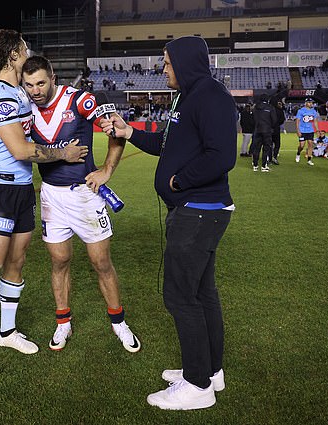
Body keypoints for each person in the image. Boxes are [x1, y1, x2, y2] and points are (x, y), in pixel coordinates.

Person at [0, 29, 88, 378]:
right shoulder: (0, 95)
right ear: (12, 55)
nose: (28, 53)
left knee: (16, 263)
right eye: (24, 49)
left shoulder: (22, 93)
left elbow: (21, 127)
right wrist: (63, 154)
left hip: (23, 190)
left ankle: (6, 332)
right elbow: (22, 149)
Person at [100, 36, 236, 410]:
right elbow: (168, 144)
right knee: (202, 293)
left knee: (179, 296)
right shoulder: (190, 95)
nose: (163, 69)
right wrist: (130, 133)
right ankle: (209, 371)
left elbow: (222, 155)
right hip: (197, 210)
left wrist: (179, 182)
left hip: (198, 210)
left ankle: (197, 386)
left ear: (186, 63)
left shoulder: (210, 95)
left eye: (167, 63)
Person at [21, 55, 140, 352]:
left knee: (101, 263)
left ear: (52, 77)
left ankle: (119, 323)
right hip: (50, 195)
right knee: (59, 261)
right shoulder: (26, 110)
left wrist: (107, 170)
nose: (35, 90)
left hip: (85, 195)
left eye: (40, 83)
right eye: (29, 85)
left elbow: (115, 128)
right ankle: (63, 323)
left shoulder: (78, 100)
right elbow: (12, 142)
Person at [251, 94, 277, 172]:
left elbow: (253, 118)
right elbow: (274, 120)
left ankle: (255, 165)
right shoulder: (270, 107)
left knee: (256, 148)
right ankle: (263, 166)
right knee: (266, 148)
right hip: (267, 130)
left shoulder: (256, 107)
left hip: (257, 130)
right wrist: (270, 127)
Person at [295, 98, 320, 166]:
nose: (311, 104)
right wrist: (298, 130)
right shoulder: (301, 111)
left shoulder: (314, 111)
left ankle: (309, 159)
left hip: (310, 130)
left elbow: (315, 121)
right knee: (301, 146)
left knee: (310, 144)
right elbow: (297, 121)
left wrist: (317, 130)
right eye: (310, 102)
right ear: (306, 103)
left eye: (312, 102)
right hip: (302, 130)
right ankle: (298, 153)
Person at [270, 99, 285, 165]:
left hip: (269, 129)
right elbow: (282, 119)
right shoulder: (279, 110)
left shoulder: (269, 110)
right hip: (276, 129)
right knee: (277, 144)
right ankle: (274, 157)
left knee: (268, 144)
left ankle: (268, 158)